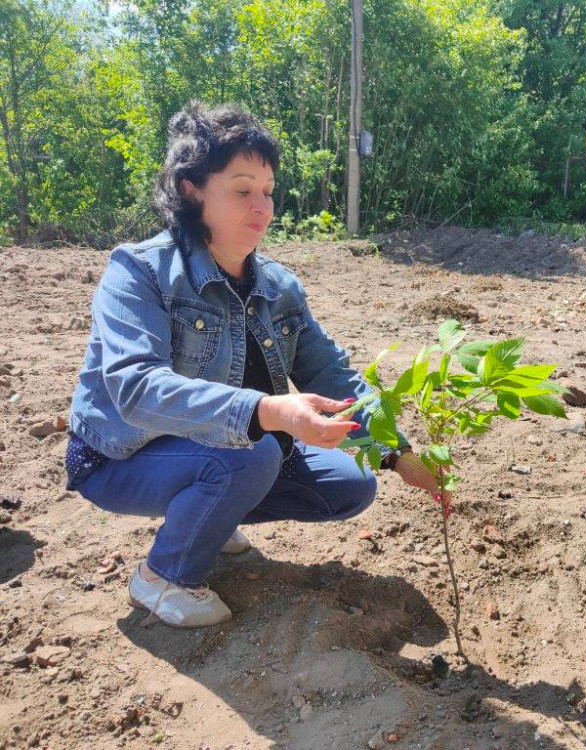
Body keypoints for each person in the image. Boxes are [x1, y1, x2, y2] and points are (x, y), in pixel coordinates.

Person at [66, 102, 446, 628]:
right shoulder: (140, 271)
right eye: (242, 190)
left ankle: (210, 518)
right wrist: (271, 410)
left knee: (349, 484)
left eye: (267, 191)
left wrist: (398, 453)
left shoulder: (276, 285)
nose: (262, 207)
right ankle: (161, 576)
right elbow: (135, 389)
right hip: (122, 455)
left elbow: (331, 373)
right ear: (191, 189)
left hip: (226, 448)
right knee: (249, 455)